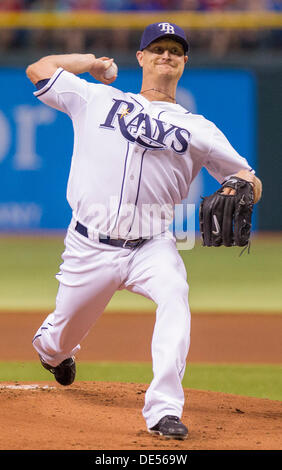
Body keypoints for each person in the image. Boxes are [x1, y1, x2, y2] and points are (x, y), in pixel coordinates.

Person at [26, 22, 262, 440]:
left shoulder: (199, 129)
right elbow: (39, 68)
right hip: (89, 246)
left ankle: (163, 410)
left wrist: (242, 186)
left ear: (184, 61)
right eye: (157, 48)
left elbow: (249, 177)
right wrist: (91, 64)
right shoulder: (96, 98)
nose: (166, 55)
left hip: (152, 246)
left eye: (174, 49)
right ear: (141, 57)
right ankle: (55, 352)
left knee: (175, 293)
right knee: (56, 343)